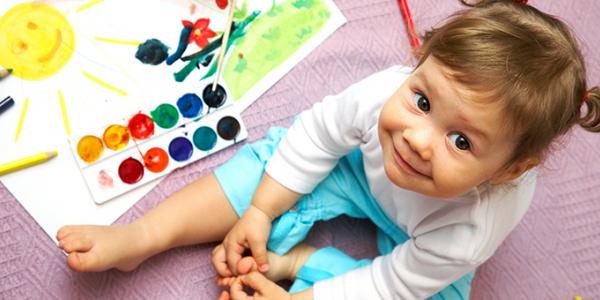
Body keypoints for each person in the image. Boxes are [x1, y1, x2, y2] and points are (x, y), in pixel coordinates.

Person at [56, 0, 600, 299]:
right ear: (418, 62)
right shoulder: (382, 95)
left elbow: (392, 285)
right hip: (356, 171)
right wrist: (261, 210)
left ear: (509, 169)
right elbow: (313, 139)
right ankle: (144, 236)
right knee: (274, 162)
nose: (416, 139)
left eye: (462, 141)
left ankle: (302, 262)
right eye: (423, 102)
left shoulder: (470, 229)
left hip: (426, 237)